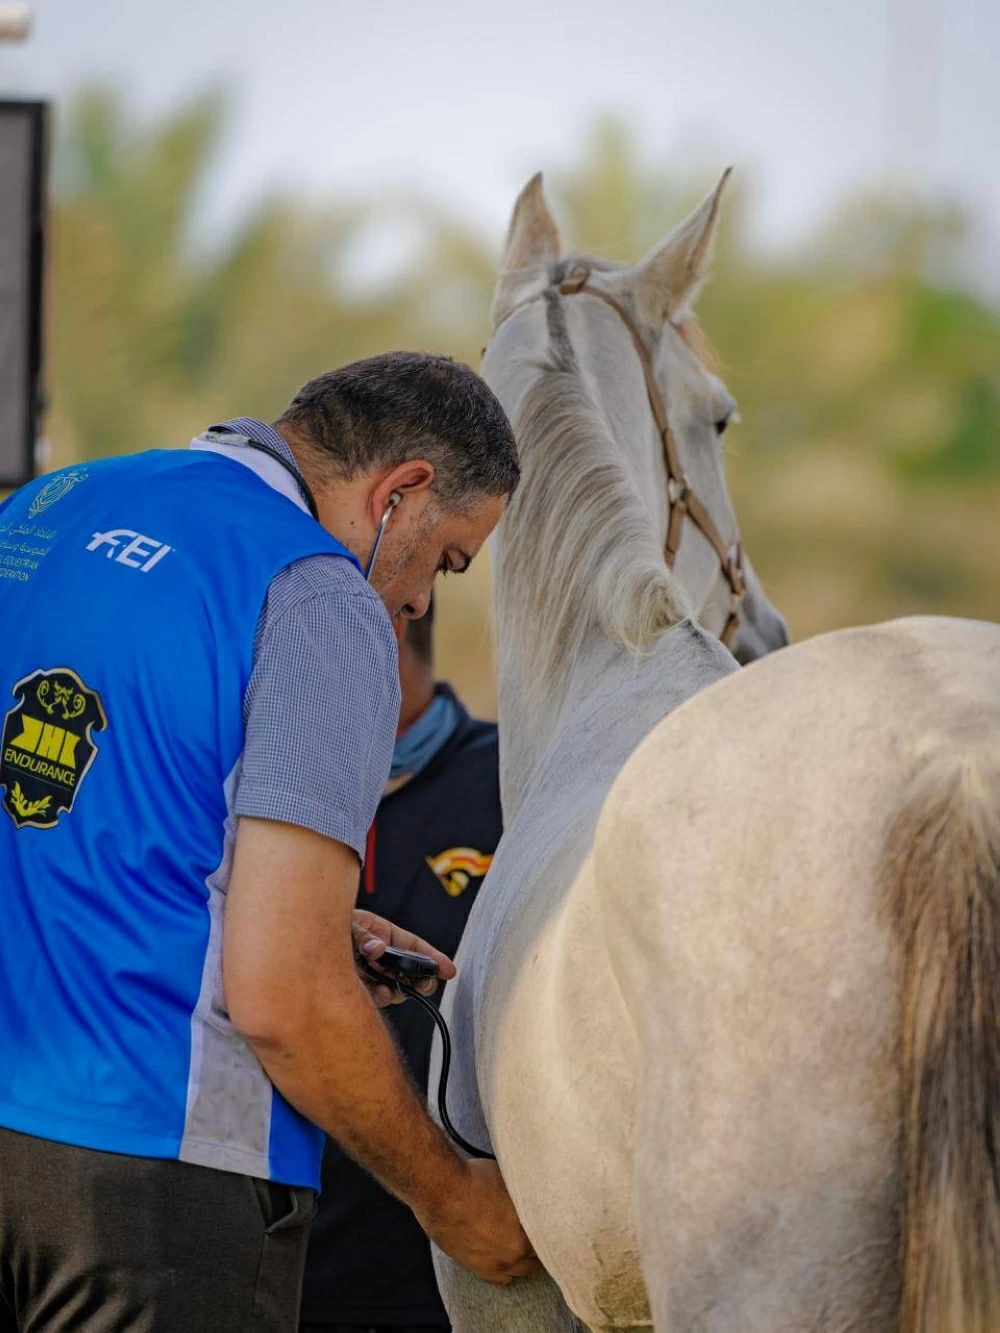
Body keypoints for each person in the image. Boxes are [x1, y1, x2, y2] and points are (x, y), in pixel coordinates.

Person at [0, 352, 536, 1333]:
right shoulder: (317, 595)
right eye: (447, 560)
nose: (419, 604)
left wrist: (286, 913)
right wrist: (456, 1203)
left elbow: (65, 812)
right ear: (400, 494)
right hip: (157, 1177)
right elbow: (284, 996)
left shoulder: (45, 508)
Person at [300, 600, 502, 1333]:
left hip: (459, 1278)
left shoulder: (520, 785)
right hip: (263, 1268)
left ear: (379, 631)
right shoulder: (249, 787)